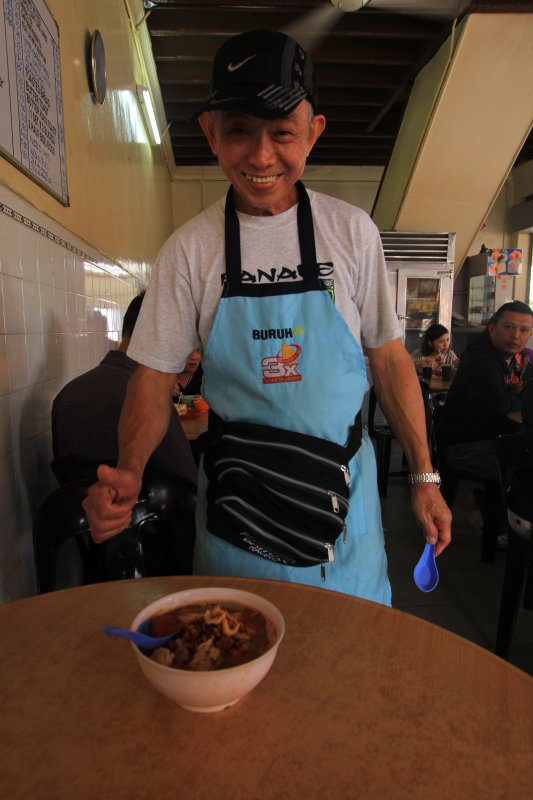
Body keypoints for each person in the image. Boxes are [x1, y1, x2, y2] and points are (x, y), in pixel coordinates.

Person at [82, 29, 451, 605]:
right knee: (231, 650)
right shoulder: (191, 248)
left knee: (347, 658)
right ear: (210, 132)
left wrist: (425, 476)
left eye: (282, 133)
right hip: (238, 512)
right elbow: (152, 378)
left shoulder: (352, 233)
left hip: (342, 508)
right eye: (238, 132)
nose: (260, 157)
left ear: (313, 133)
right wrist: (128, 470)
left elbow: (387, 355)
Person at [52, 292, 199, 574]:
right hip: (160, 558)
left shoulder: (66, 395)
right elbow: (186, 486)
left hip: (90, 555)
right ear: (156, 332)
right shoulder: (150, 405)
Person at [437, 301, 533, 542]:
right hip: (462, 447)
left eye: (524, 330)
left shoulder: (502, 358)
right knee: (521, 463)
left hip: (477, 438)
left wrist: (514, 393)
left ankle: (489, 506)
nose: (516, 336)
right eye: (509, 327)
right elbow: (498, 406)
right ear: (492, 328)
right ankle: (503, 528)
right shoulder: (480, 360)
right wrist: (521, 396)